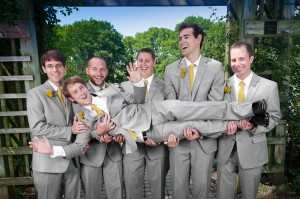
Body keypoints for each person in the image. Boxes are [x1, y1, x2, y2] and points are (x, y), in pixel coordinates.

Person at [29, 73, 268, 159]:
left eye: (81, 88)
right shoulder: (82, 121)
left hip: (155, 110)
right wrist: (52, 151)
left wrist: (137, 84)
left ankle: (249, 108)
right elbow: (77, 145)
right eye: (75, 92)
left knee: (200, 108)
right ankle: (242, 123)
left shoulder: (111, 90)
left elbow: (136, 100)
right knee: (197, 126)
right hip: (149, 133)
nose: (81, 92)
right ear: (71, 99)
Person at [163, 22, 227, 199]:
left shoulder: (215, 67)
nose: (181, 41)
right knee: (177, 191)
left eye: (186, 37)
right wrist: (182, 130)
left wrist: (198, 131)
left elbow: (214, 107)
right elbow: (171, 107)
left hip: (204, 141)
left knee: (202, 190)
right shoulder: (170, 70)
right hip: (178, 141)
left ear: (198, 38)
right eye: (180, 38)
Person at [216, 41, 281, 199]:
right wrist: (225, 125)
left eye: (241, 59)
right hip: (226, 148)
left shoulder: (269, 86)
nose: (237, 64)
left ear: (251, 59)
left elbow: (274, 116)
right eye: (233, 60)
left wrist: (253, 127)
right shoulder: (222, 86)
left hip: (253, 149)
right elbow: (217, 112)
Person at [26, 50, 88, 199]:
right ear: (44, 69)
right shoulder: (35, 94)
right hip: (47, 163)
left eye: (59, 65)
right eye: (50, 65)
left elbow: (83, 118)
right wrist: (70, 131)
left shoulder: (72, 93)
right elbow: (37, 128)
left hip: (72, 161)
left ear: (65, 68)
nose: (55, 70)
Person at [121, 48, 169, 199]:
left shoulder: (165, 86)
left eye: (147, 60)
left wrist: (161, 138)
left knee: (158, 189)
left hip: (157, 145)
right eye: (140, 60)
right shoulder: (124, 86)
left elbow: (170, 116)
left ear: (154, 62)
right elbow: (122, 114)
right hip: (132, 146)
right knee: (132, 188)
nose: (143, 64)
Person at [75, 56, 124, 199]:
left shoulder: (116, 91)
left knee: (117, 194)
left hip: (114, 152)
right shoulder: (79, 92)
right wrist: (97, 132)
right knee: (92, 195)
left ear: (107, 71)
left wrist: (121, 135)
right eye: (94, 69)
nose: (99, 73)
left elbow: (124, 117)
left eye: (102, 69)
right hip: (90, 155)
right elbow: (78, 124)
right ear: (87, 70)